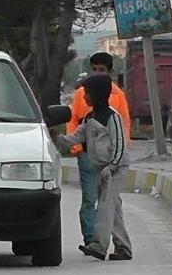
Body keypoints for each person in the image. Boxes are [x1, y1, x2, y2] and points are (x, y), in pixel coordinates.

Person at [54, 75, 132, 261]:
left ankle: (99, 245)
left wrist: (112, 166)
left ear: (96, 95)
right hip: (102, 168)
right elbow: (74, 138)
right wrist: (56, 138)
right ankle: (124, 248)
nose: (85, 97)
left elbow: (120, 144)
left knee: (105, 206)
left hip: (115, 168)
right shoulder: (89, 119)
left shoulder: (113, 117)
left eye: (87, 93)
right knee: (114, 207)